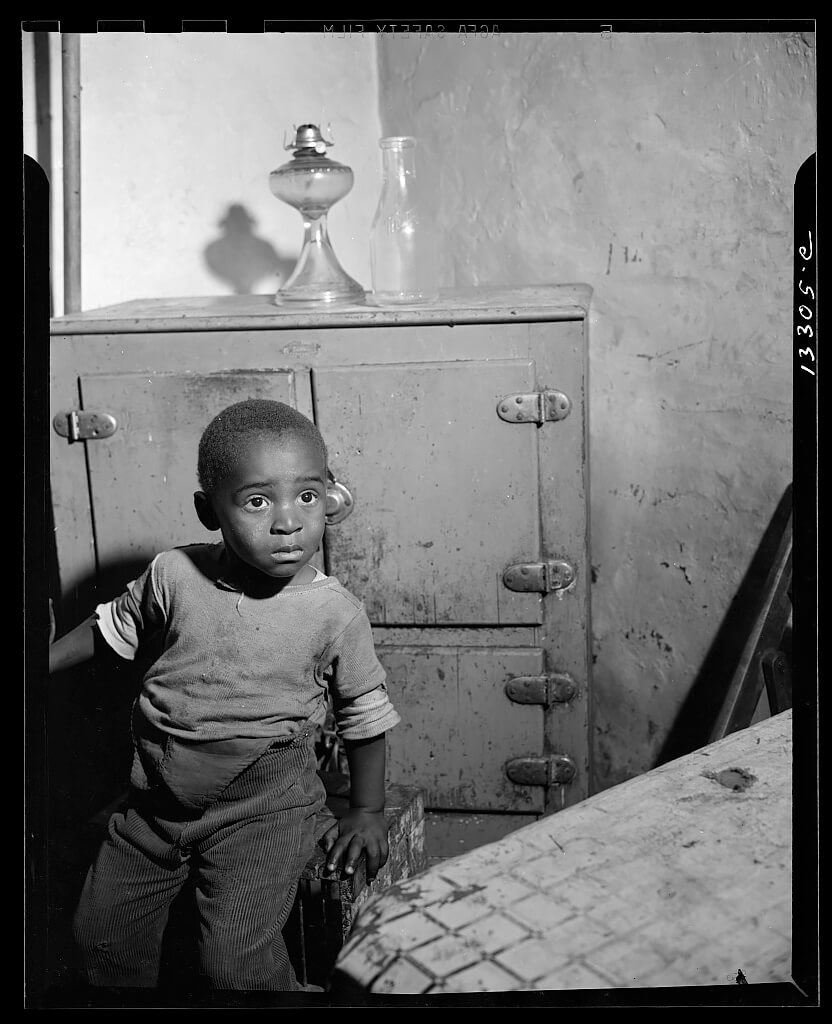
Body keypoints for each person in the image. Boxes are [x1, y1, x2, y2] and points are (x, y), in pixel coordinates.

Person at [48, 398, 400, 992]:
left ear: (330, 499)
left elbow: (364, 717)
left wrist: (366, 811)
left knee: (234, 968)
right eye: (258, 501)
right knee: (100, 944)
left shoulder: (333, 613)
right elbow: (112, 628)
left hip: (263, 809)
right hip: (154, 804)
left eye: (307, 497)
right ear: (208, 511)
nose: (288, 522)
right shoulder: (172, 574)